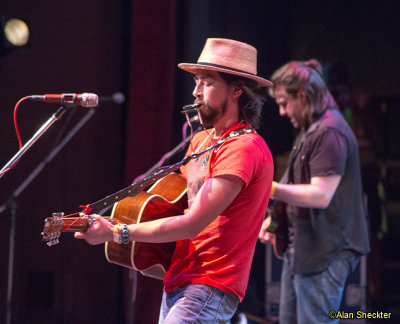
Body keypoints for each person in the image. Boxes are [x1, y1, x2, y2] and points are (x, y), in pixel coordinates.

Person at [75, 38, 274, 323]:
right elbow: (179, 203)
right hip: (179, 279)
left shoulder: (244, 148)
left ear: (236, 92)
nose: (195, 92)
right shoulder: (202, 141)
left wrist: (120, 233)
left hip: (211, 285)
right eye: (196, 81)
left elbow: (192, 223)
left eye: (206, 83)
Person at [259, 59, 370, 324]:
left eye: (284, 103)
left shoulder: (330, 132)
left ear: (301, 94)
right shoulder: (310, 129)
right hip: (304, 250)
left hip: (326, 251)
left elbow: (320, 195)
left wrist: (266, 188)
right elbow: (293, 184)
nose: (283, 112)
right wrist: (274, 220)